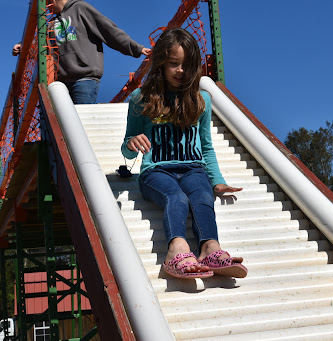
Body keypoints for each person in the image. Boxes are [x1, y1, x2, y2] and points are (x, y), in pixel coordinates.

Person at [121, 28, 248, 280]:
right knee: (176, 197)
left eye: (186, 65)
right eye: (174, 64)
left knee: (202, 195)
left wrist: (218, 181)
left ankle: (210, 248)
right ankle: (176, 250)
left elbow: (207, 146)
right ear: (161, 64)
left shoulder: (201, 100)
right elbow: (126, 145)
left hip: (194, 168)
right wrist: (132, 142)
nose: (180, 71)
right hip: (155, 171)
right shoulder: (141, 98)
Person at [13, 0, 151, 104]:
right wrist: (23, 46)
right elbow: (39, 43)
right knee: (63, 127)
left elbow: (108, 30)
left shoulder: (80, 8)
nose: (46, 8)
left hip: (84, 79)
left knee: (81, 122)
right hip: (61, 82)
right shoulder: (50, 24)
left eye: (47, 3)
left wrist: (136, 48)